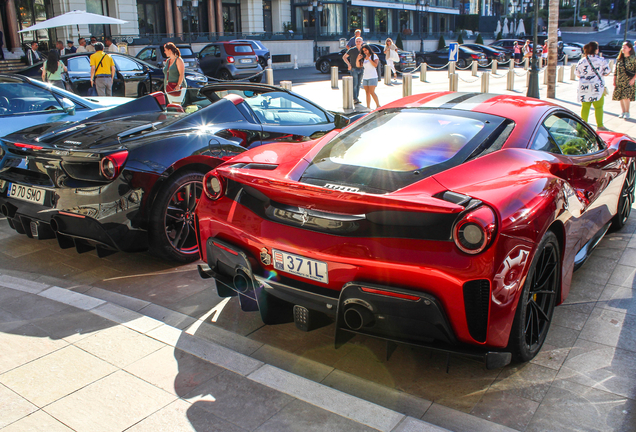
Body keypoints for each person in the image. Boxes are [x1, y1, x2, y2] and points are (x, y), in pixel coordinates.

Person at [575, 41, 611, 130]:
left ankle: (582, 126)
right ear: (596, 50)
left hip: (584, 87)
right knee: (599, 107)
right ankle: (600, 125)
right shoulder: (601, 60)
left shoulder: (582, 61)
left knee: (585, 107)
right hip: (597, 87)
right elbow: (607, 72)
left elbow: (577, 73)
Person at [613, 41, 636, 118]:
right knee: (620, 97)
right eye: (622, 47)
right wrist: (614, 80)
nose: (623, 49)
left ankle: (627, 112)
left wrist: (633, 79)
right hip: (620, 80)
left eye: (625, 47)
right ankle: (623, 112)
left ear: (630, 48)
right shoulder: (619, 58)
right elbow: (616, 70)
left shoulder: (633, 58)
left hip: (628, 80)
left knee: (626, 97)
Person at [343, 37, 364, 105]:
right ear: (355, 42)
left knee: (358, 84)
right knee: (355, 84)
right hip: (354, 69)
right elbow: (344, 57)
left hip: (361, 69)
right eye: (357, 41)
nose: (358, 42)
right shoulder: (352, 50)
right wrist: (349, 64)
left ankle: (356, 98)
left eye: (359, 41)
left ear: (362, 42)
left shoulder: (363, 50)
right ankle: (354, 98)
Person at [359, 44, 380, 109]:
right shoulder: (364, 58)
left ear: (368, 49)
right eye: (363, 51)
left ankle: (378, 105)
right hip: (365, 77)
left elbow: (375, 65)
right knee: (367, 92)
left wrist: (369, 59)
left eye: (366, 50)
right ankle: (368, 107)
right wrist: (358, 59)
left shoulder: (374, 56)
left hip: (373, 76)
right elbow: (359, 66)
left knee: (372, 92)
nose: (365, 52)